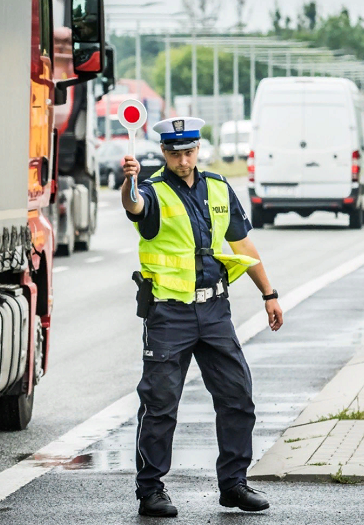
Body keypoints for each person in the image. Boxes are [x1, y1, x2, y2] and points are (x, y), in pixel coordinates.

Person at [121, 116, 284, 517]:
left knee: (237, 396)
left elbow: (242, 242)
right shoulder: (151, 191)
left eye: (189, 151)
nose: (183, 159)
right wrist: (129, 181)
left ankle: (233, 485)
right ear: (164, 152)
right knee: (159, 404)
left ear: (199, 150)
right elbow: (134, 206)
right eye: (174, 153)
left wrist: (269, 293)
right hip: (169, 314)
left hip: (214, 310)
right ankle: (151, 490)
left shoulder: (218, 187)